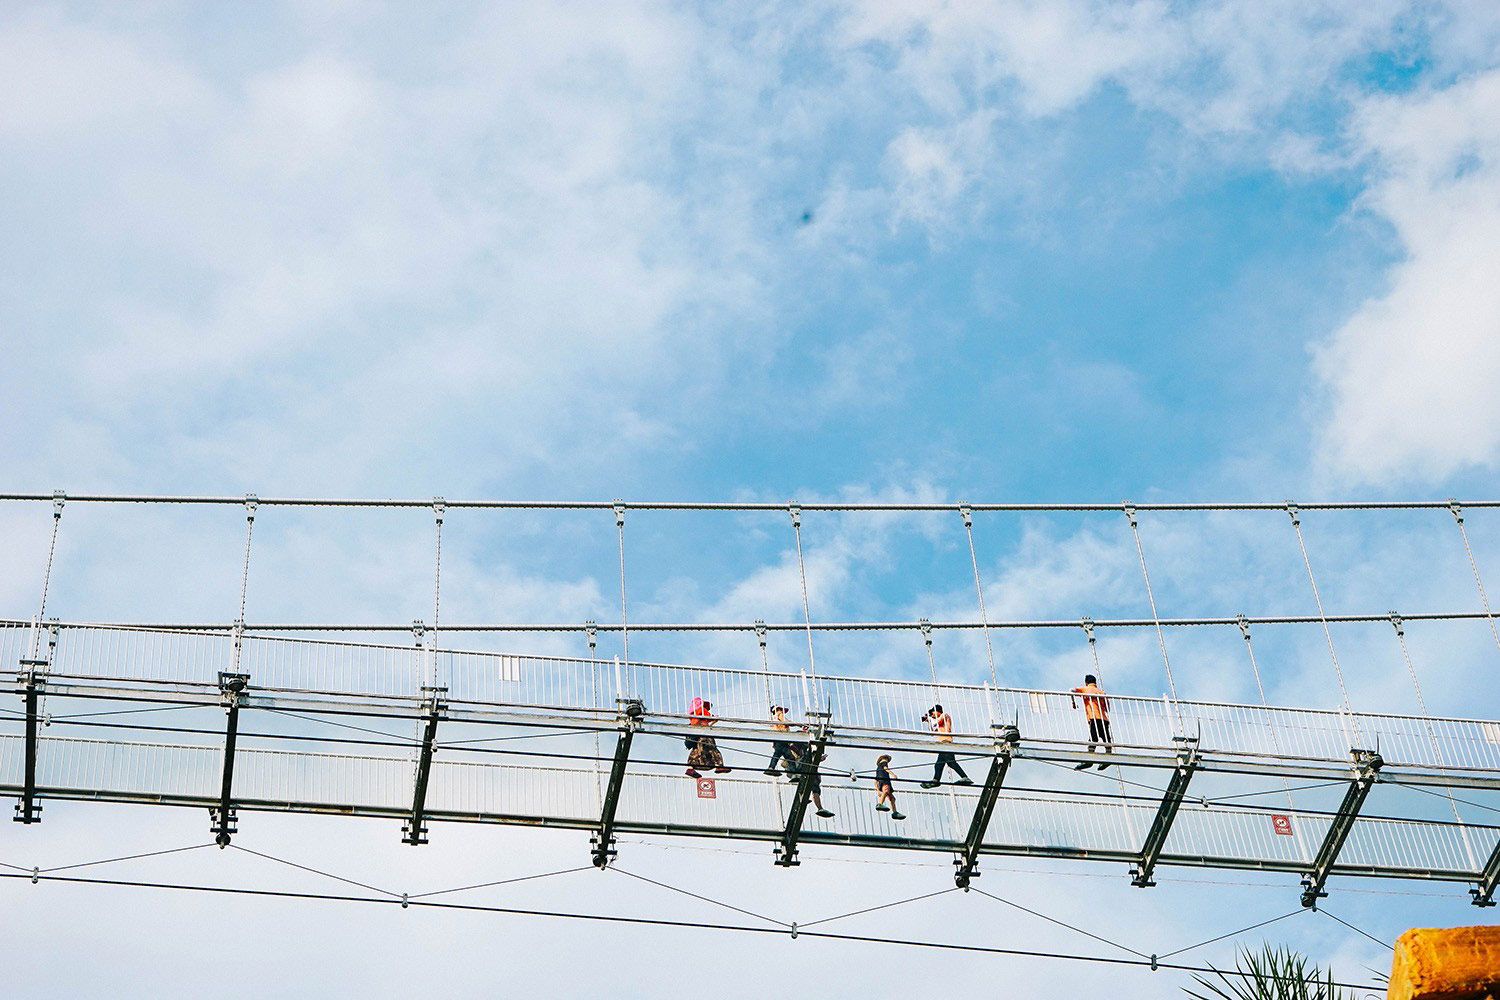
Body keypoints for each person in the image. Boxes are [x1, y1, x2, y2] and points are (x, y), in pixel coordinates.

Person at [918, 704, 973, 789]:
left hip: (946, 742)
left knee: (951, 762)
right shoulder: (940, 724)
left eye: (933, 713)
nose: (932, 715)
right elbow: (932, 731)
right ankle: (935, 780)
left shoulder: (944, 715)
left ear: (937, 711)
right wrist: (928, 721)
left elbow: (935, 723)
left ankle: (964, 777)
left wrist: (929, 719)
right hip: (942, 744)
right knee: (938, 765)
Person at [1070, 674, 1113, 769]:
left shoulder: (1086, 689)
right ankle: (1109, 756)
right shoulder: (1101, 692)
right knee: (1105, 738)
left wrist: (1073, 702)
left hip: (1094, 717)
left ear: (1086, 682)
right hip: (1104, 718)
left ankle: (1089, 759)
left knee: (1093, 738)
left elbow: (1071, 690)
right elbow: (1107, 707)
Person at [685, 697, 732, 778]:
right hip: (704, 735)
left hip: (697, 735)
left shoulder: (693, 716)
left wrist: (713, 722)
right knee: (712, 750)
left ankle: (690, 768)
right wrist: (714, 717)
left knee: (696, 751)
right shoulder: (700, 710)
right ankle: (719, 766)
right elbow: (708, 718)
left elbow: (704, 723)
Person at [788, 749, 835, 818]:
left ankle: (818, 807)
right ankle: (805, 798)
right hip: (804, 771)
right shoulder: (803, 752)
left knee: (814, 787)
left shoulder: (806, 753)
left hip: (809, 773)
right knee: (809, 785)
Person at [764, 704, 800, 777]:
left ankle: (771, 768)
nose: (782, 711)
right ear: (777, 710)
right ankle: (794, 773)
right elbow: (786, 722)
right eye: (780, 709)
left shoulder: (774, 719)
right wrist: (796, 724)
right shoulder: (779, 714)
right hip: (782, 738)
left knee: (778, 754)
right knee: (789, 756)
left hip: (778, 739)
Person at [873, 754, 905, 821]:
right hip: (885, 781)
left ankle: (895, 812)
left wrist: (878, 790)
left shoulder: (878, 769)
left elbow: (875, 781)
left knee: (892, 798)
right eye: (887, 759)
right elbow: (886, 769)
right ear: (883, 758)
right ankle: (880, 804)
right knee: (886, 791)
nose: (887, 760)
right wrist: (893, 775)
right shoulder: (883, 763)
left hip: (882, 782)